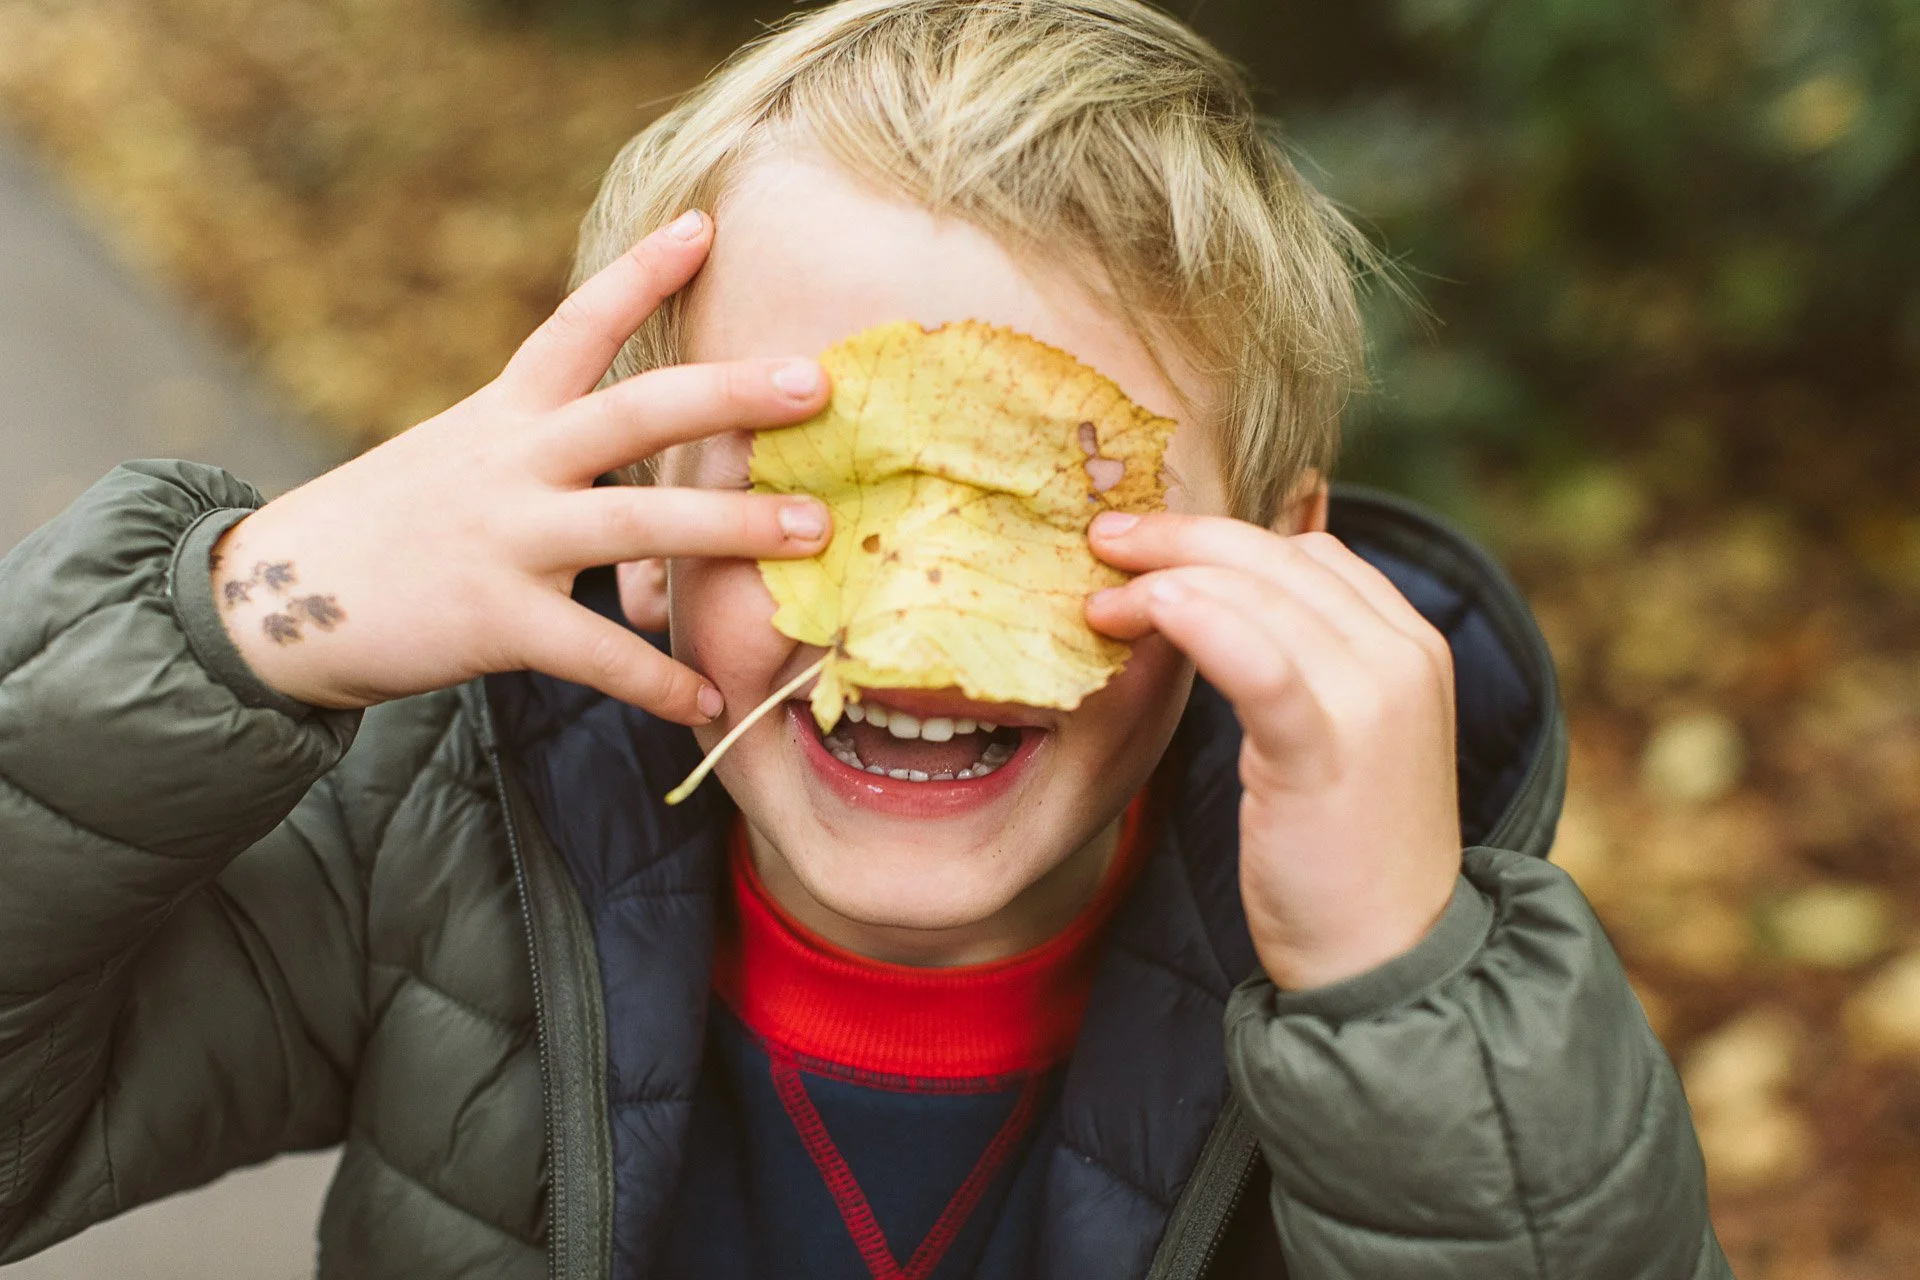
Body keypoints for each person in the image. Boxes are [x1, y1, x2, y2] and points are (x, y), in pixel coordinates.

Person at [0, 1, 1731, 1276]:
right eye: (806, 495)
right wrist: (225, 626)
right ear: (638, 532)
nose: (925, 629)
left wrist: (1398, 996)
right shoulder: (440, 844)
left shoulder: (1420, 987)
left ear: (1275, 565)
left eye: (1048, 512)